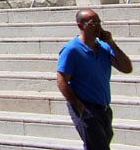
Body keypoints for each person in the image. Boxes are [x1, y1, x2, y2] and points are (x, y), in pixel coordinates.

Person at [56, 8, 133, 150]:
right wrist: (79, 107)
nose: (98, 26)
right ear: (81, 25)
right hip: (86, 107)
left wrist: (111, 43)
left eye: (98, 22)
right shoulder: (71, 49)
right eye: (93, 23)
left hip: (103, 108)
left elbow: (126, 68)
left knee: (101, 144)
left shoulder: (104, 47)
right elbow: (61, 80)